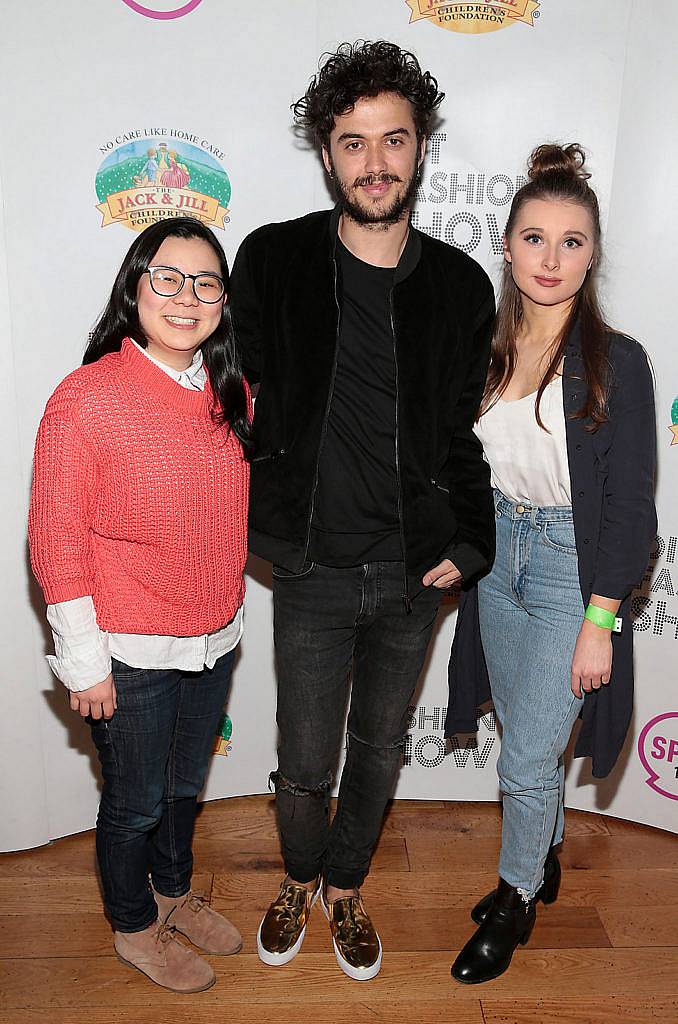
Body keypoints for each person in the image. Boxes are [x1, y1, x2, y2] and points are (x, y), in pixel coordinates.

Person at [230, 40, 495, 981]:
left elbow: (461, 435)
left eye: (394, 139)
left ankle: (346, 889)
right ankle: (300, 874)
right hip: (309, 566)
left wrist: (470, 539)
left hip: (415, 573)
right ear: (327, 152)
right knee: (304, 761)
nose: (374, 161)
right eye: (353, 142)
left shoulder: (462, 286)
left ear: (420, 148)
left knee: (379, 749)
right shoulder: (272, 259)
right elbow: (232, 402)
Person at [446, 144, 657, 985]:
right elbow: (460, 467)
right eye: (535, 237)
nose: (551, 258)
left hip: (574, 563)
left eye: (572, 241)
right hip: (499, 553)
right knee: (524, 728)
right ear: (506, 245)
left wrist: (601, 619)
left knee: (528, 757)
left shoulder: (618, 361)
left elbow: (633, 508)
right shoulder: (483, 348)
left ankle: (515, 897)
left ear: (594, 253)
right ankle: (548, 854)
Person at [28, 216, 252, 993]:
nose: (186, 297)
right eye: (167, 277)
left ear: (223, 299)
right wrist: (85, 662)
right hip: (127, 651)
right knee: (133, 806)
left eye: (206, 282)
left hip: (214, 641)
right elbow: (56, 543)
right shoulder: (84, 400)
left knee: (184, 791)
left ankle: (171, 893)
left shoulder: (233, 391)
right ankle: (133, 925)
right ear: (134, 286)